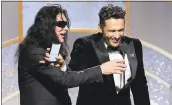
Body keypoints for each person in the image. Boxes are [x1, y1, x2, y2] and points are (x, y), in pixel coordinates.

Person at [15, 4, 126, 105]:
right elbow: (65, 80)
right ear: (46, 25)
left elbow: (62, 77)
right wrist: (101, 69)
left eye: (66, 24)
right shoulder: (34, 51)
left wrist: (63, 66)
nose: (66, 29)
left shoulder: (53, 47)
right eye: (61, 24)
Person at [68, 4, 150, 105]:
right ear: (100, 28)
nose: (117, 36)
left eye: (120, 30)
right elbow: (72, 76)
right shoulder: (85, 44)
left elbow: (140, 86)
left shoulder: (134, 44)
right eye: (112, 31)